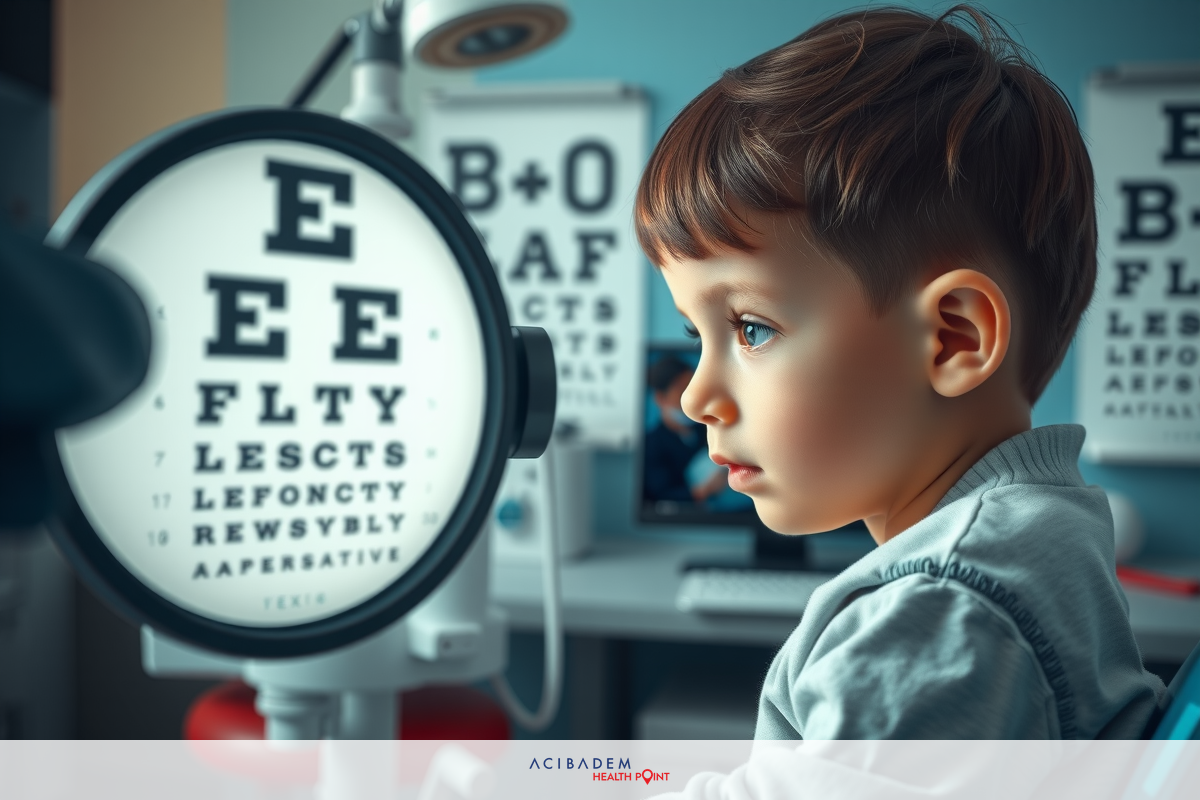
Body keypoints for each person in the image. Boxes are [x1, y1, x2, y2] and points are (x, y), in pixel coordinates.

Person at [634, 5, 1165, 741]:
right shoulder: (1048, 534)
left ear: (952, 339)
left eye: (752, 329)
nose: (696, 396)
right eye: (697, 337)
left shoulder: (940, 614)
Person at [643, 355, 729, 506]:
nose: (690, 399)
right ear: (660, 398)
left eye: (692, 388)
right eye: (681, 390)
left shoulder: (709, 427)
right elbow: (660, 495)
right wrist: (703, 491)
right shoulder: (651, 444)